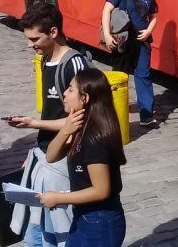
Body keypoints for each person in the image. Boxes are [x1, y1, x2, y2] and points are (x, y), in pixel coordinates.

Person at [6, 4, 88, 247]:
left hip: (62, 162)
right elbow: (52, 111)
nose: (30, 45)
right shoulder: (44, 60)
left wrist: (33, 123)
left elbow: (80, 120)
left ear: (53, 32)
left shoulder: (74, 64)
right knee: (35, 234)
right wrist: (37, 151)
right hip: (45, 155)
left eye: (34, 39)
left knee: (58, 233)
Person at [38, 69, 126, 247]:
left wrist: (58, 198)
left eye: (70, 90)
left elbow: (101, 190)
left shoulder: (94, 138)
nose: (64, 93)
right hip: (85, 217)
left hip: (100, 221)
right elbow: (51, 156)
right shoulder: (79, 126)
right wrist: (65, 131)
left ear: (84, 98)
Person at [102, 0, 158, 127]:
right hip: (124, 40)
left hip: (142, 41)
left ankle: (146, 115)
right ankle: (113, 110)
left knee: (143, 75)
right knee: (119, 75)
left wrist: (148, 31)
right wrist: (107, 35)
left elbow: (154, 16)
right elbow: (106, 10)